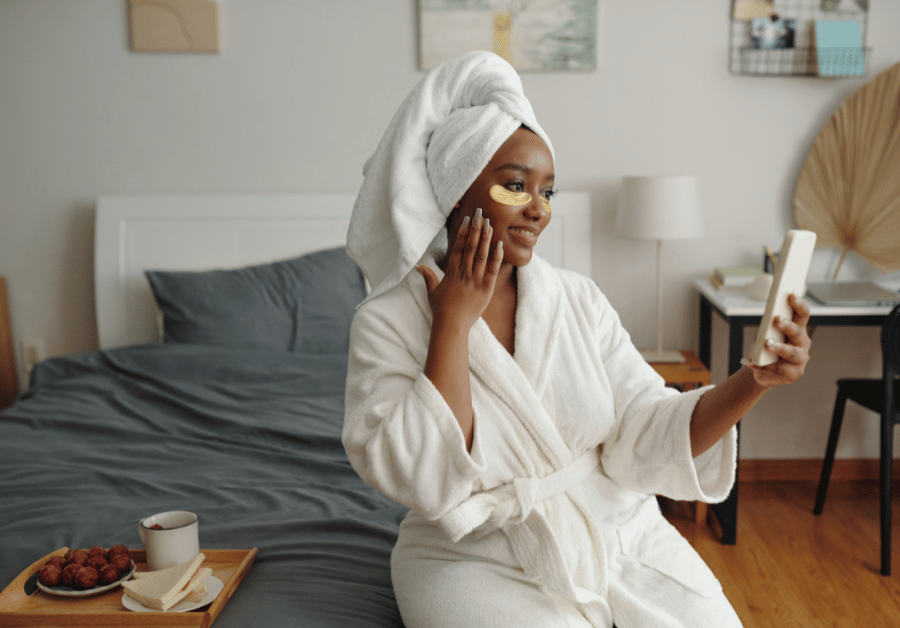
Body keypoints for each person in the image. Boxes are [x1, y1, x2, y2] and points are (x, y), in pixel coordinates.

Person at [342, 51, 810, 628]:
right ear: (458, 191)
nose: (538, 210)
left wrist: (754, 379)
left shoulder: (576, 300)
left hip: (610, 530)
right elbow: (423, 477)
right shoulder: (388, 320)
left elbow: (647, 429)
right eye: (515, 187)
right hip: (472, 557)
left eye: (548, 192)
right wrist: (454, 324)